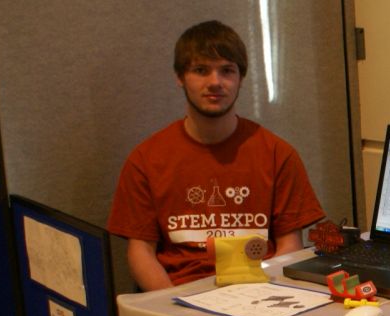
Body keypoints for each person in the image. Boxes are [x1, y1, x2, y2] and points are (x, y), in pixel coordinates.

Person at [109, 20, 325, 290]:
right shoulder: (146, 160)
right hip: (180, 298)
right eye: (201, 70)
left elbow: (289, 246)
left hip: (261, 294)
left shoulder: (277, 154)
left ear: (240, 78)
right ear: (179, 77)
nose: (215, 82)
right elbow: (140, 252)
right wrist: (171, 310)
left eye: (226, 71)